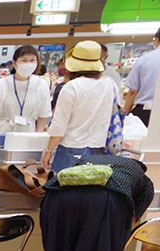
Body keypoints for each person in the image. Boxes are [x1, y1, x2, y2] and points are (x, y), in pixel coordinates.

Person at [41, 40, 120, 173]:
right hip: (98, 148)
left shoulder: (72, 87)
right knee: (91, 186)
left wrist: (48, 150)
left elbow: (59, 126)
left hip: (71, 148)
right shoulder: (110, 83)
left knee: (64, 185)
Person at [0, 45, 52, 137]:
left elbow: (43, 115)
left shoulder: (41, 85)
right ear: (14, 63)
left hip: (28, 135)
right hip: (2, 133)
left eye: (32, 60)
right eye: (24, 60)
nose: (28, 64)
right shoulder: (0, 85)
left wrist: (37, 136)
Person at [122, 28, 160, 126]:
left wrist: (124, 117)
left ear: (157, 39)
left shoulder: (144, 59)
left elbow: (132, 92)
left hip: (146, 113)